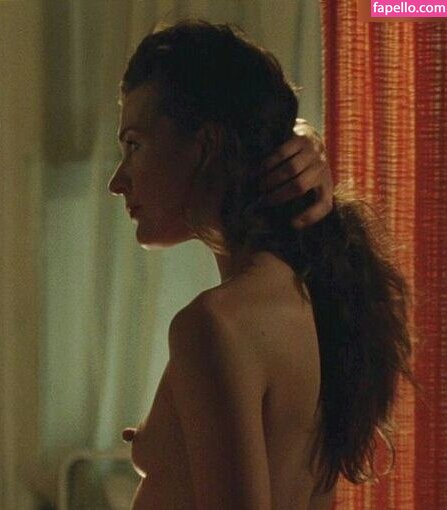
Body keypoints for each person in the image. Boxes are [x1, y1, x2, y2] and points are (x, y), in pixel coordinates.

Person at [108, 19, 418, 510]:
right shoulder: (309, 294)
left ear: (205, 146)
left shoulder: (215, 324)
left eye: (134, 145)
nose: (117, 180)